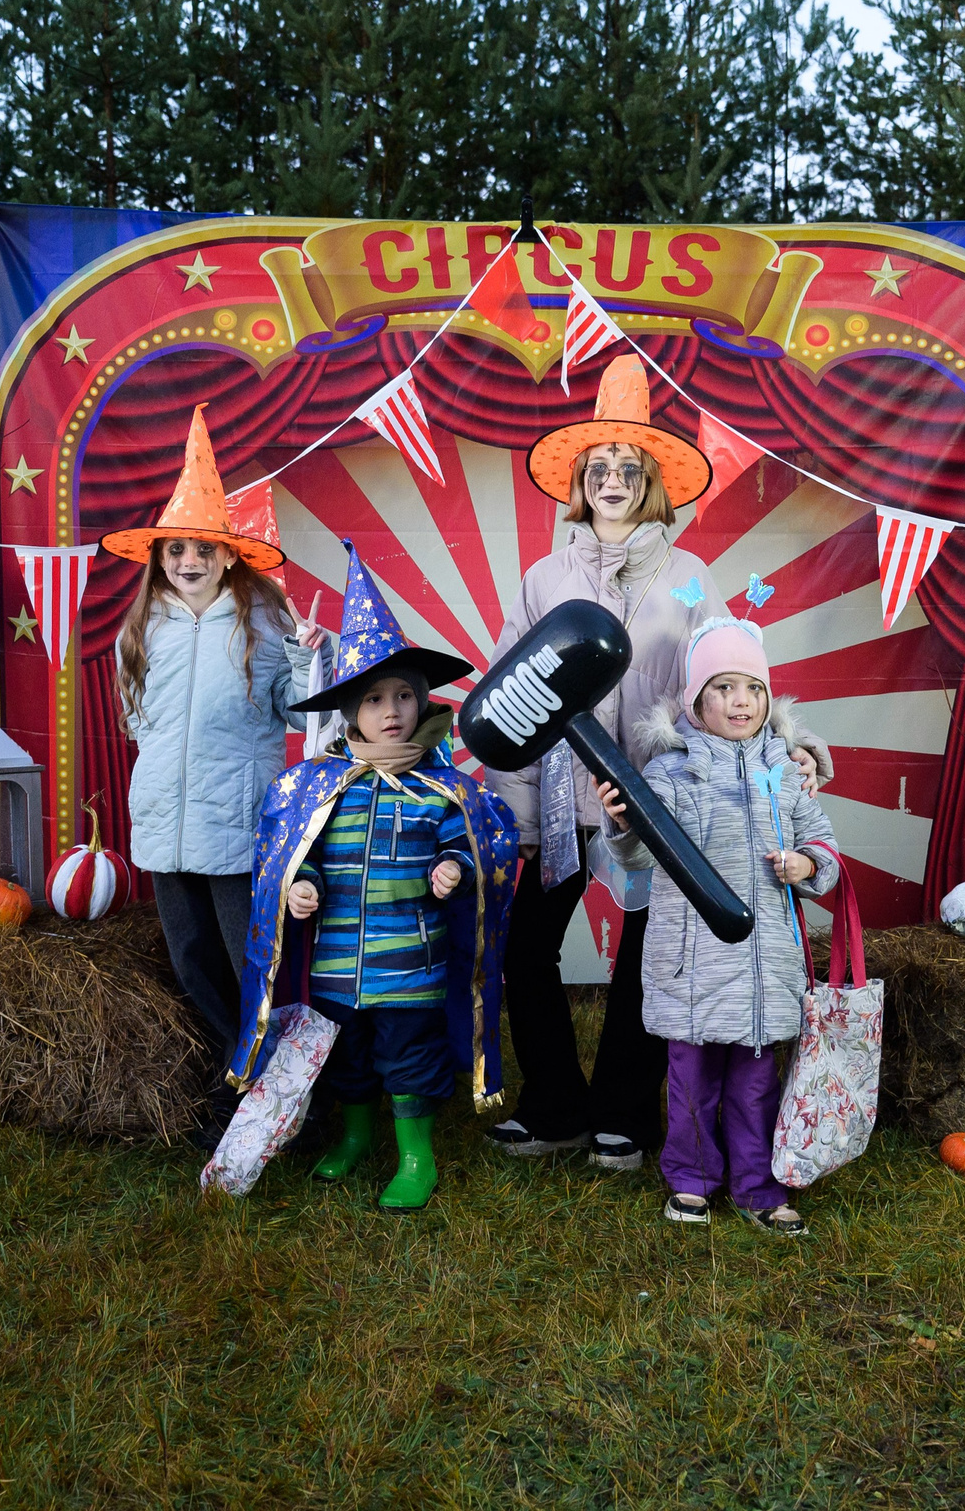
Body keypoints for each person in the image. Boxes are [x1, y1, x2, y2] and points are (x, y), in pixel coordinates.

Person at [484, 354, 828, 1171]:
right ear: (580, 480)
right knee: (526, 950)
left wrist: (789, 747)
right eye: (598, 466)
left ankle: (624, 1115)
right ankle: (555, 1104)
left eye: (627, 467)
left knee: (647, 955)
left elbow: (728, 674)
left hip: (661, 800)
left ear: (650, 483)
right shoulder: (544, 579)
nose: (611, 479)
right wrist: (523, 816)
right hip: (565, 798)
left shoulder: (688, 578)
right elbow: (511, 697)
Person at [230, 544, 518, 1211]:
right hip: (336, 963)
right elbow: (298, 854)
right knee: (349, 1057)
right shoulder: (322, 787)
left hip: (410, 966)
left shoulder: (441, 790)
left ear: (421, 702)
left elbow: (474, 844)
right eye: (375, 698)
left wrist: (454, 865)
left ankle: (416, 1154)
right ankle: (356, 1134)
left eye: (404, 695)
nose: (392, 710)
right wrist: (303, 885)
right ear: (350, 713)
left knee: (408, 1058)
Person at [101, 405, 327, 1134]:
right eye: (175, 550)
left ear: (228, 555)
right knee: (192, 960)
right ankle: (242, 1079)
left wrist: (306, 658)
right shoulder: (143, 628)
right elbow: (138, 717)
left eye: (202, 548)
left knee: (248, 964)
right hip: (166, 826)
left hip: (235, 827)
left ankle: (277, 1094)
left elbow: (299, 712)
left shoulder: (265, 621)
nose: (188, 560)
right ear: (159, 558)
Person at [598, 617, 841, 1235]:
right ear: (695, 700)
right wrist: (623, 825)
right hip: (693, 962)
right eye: (724, 687)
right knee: (691, 1080)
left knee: (756, 1084)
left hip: (763, 965)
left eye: (754, 688)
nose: (741, 701)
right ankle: (692, 1179)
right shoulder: (670, 773)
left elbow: (824, 845)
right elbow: (640, 857)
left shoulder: (786, 771)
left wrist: (808, 862)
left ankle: (758, 1186)